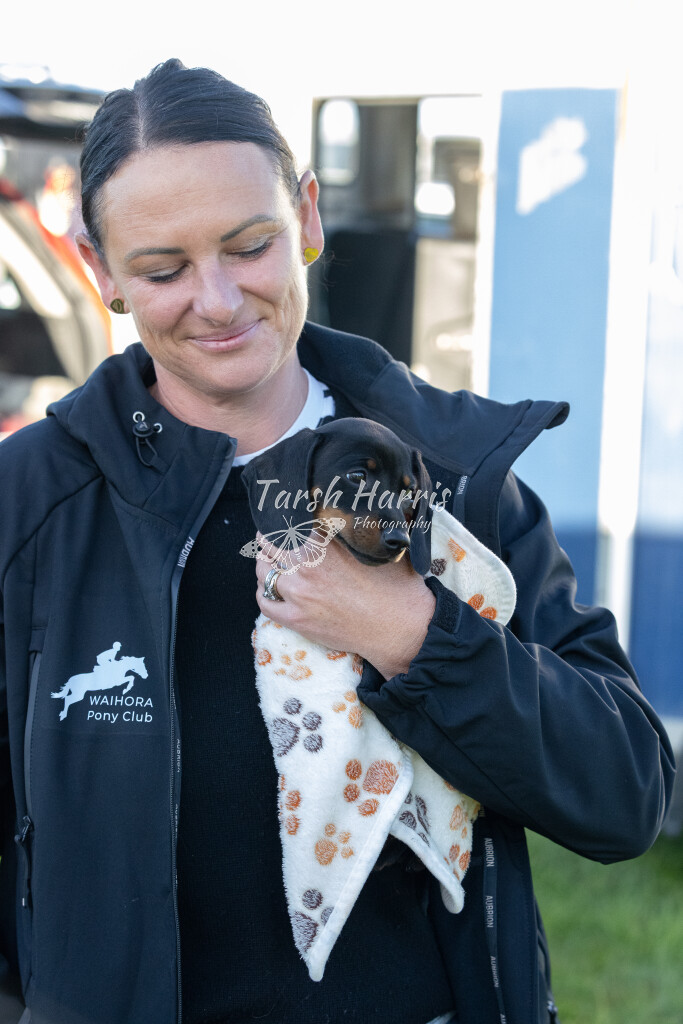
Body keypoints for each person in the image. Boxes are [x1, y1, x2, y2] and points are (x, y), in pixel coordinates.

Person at [0, 58, 674, 1024]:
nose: (218, 300)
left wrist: (415, 636)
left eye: (250, 246)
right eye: (163, 269)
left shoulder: (456, 473)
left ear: (308, 218)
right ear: (100, 270)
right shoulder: (30, 504)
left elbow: (623, 795)